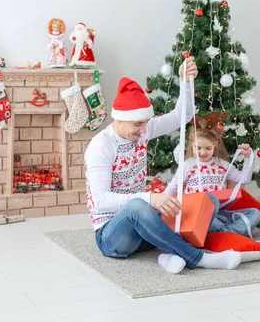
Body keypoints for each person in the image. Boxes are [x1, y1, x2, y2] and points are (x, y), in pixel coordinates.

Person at [84, 58, 242, 274]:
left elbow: (181, 116)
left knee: (207, 199)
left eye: (145, 123)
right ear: (118, 120)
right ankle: (199, 258)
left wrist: (185, 82)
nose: (143, 130)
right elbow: (100, 201)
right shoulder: (101, 146)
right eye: (137, 124)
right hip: (112, 237)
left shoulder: (143, 130)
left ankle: (171, 254)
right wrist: (149, 198)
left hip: (144, 227)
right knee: (139, 206)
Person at [164, 112, 260, 237]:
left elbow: (244, 179)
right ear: (192, 146)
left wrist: (248, 157)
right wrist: (160, 206)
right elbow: (173, 188)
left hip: (219, 215)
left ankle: (222, 233)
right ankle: (232, 232)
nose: (203, 152)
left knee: (255, 213)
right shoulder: (188, 165)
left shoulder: (222, 164)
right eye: (198, 148)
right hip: (196, 215)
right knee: (208, 211)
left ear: (215, 145)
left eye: (208, 148)